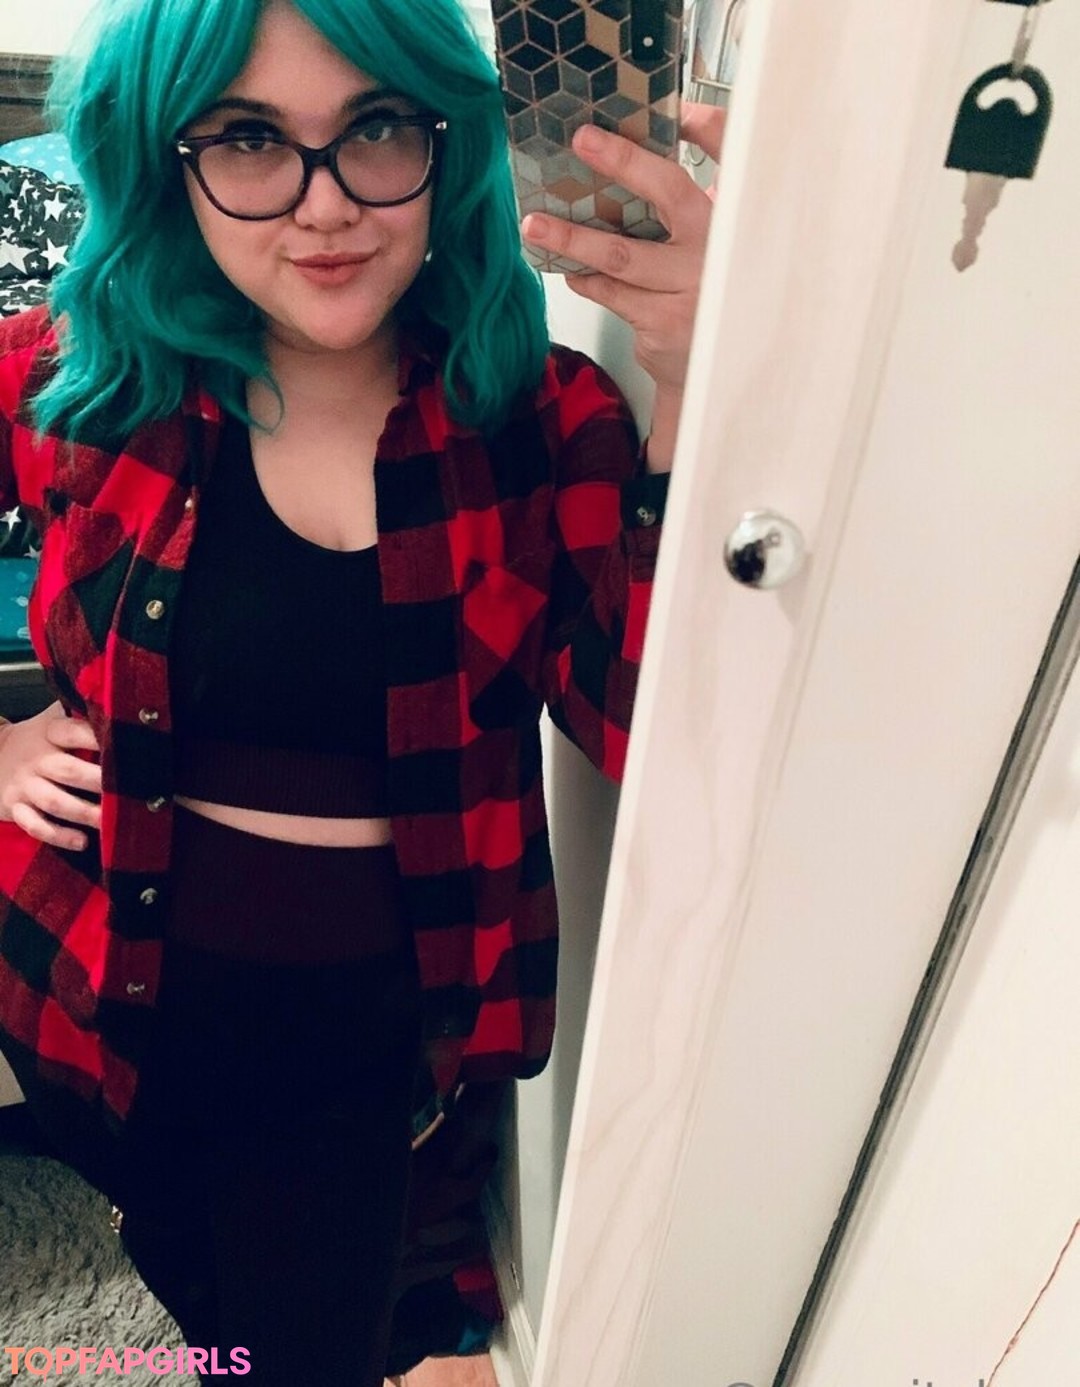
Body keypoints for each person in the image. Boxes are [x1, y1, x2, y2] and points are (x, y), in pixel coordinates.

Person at [0, 0, 721, 1381]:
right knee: (192, 1276)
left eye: (377, 127)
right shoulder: (82, 376)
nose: (325, 206)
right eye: (250, 139)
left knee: (304, 1346)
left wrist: (696, 379)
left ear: (450, 142)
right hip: (91, 985)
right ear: (168, 157)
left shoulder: (542, 423)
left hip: (361, 1043)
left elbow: (649, 726)